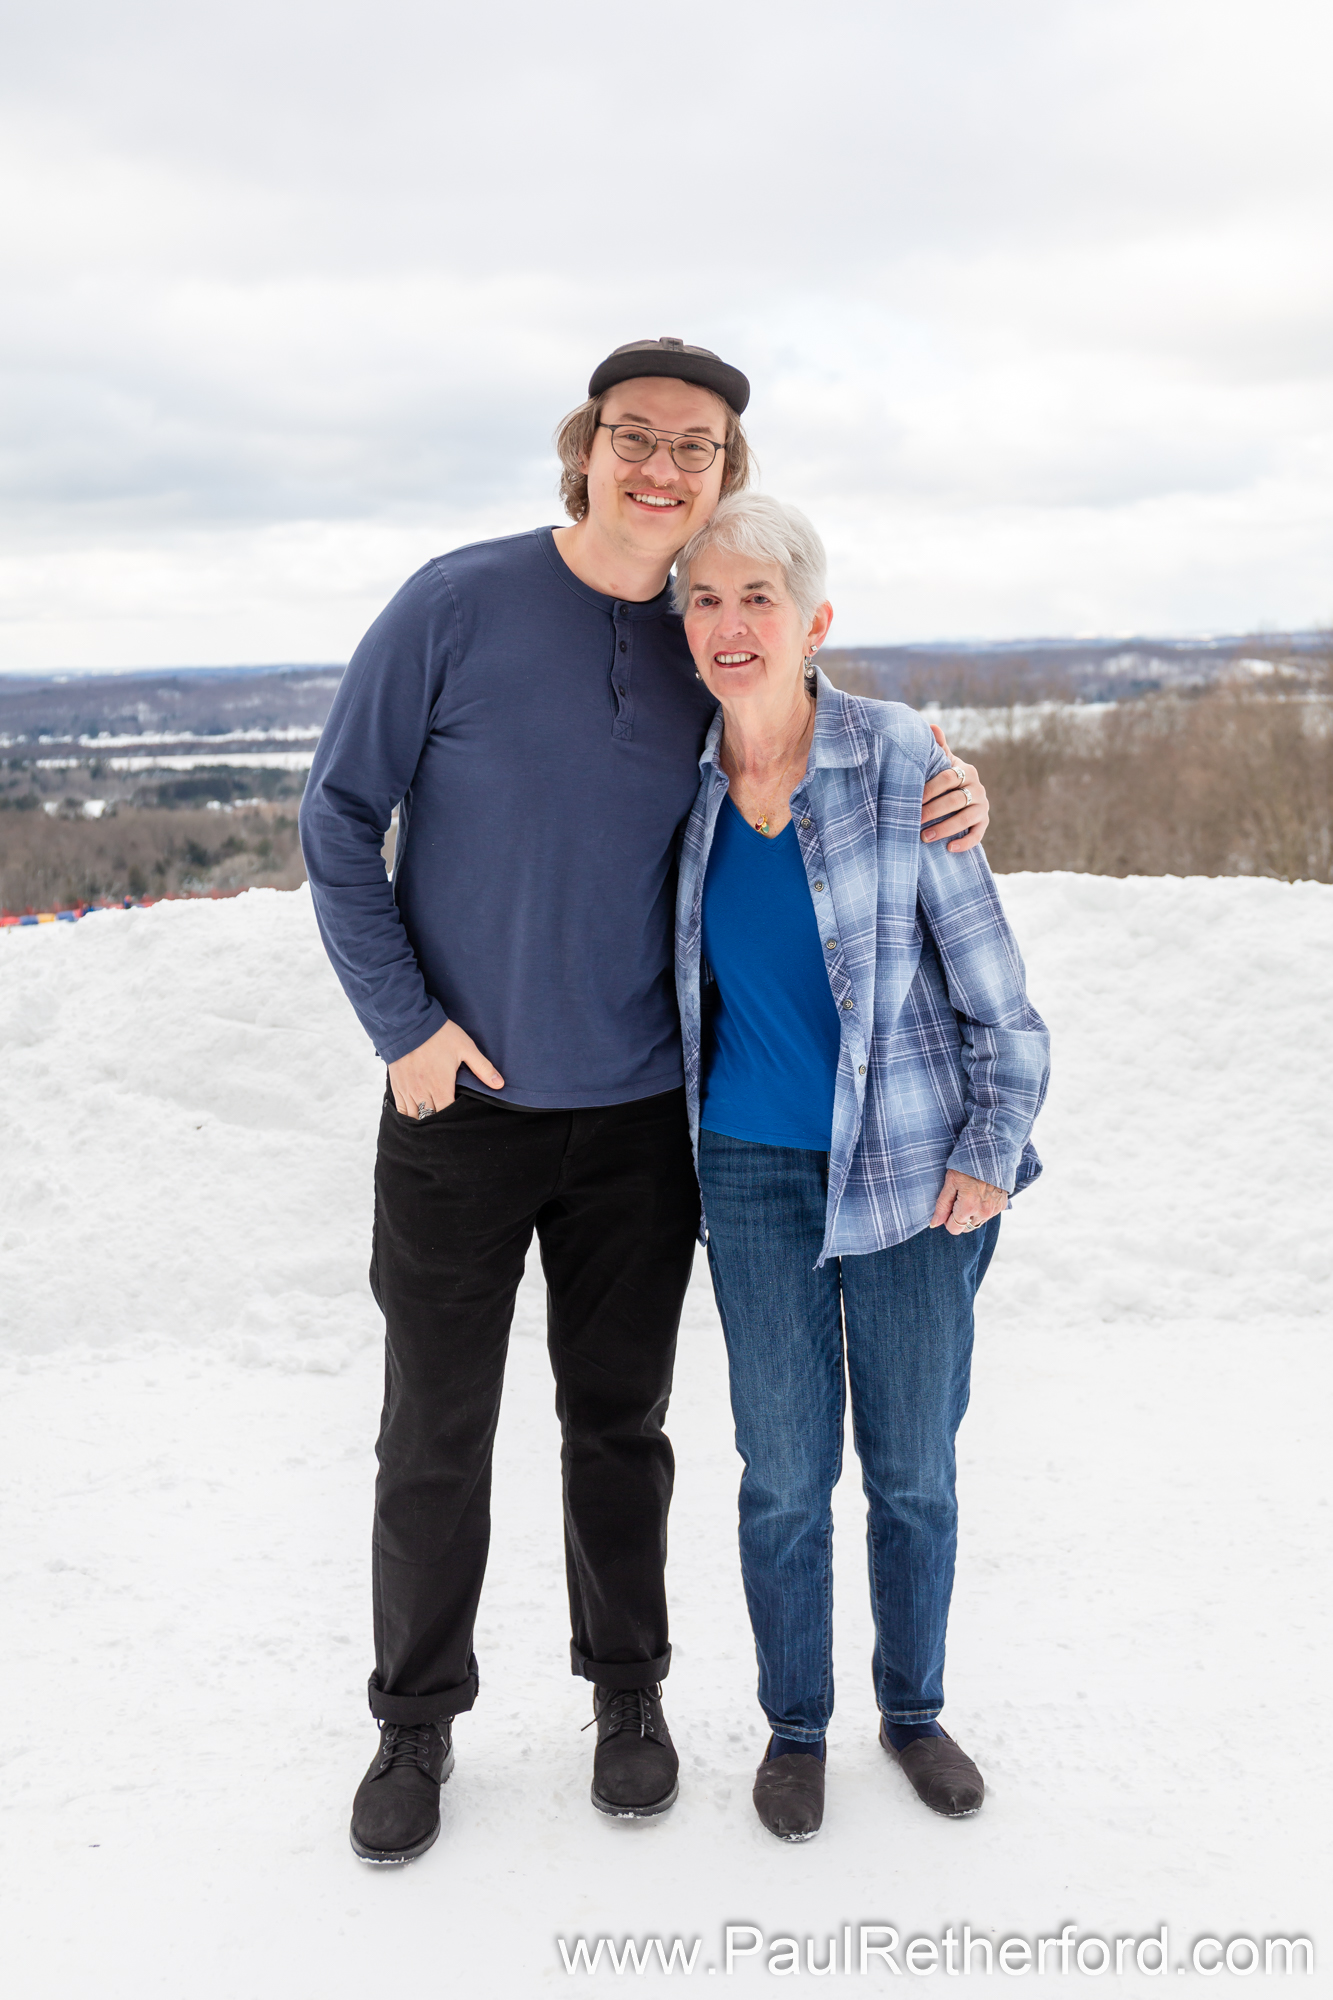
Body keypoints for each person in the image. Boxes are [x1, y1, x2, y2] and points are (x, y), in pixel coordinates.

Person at [299, 339, 993, 1866]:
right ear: (588, 446)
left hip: (640, 1123)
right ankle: (414, 1722)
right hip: (457, 1109)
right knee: (435, 1429)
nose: (660, 466)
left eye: (694, 449)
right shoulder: (455, 600)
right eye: (635, 437)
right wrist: (403, 1028)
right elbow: (339, 817)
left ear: (723, 482)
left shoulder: (702, 636)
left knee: (621, 1423)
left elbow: (801, 717)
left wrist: (951, 777)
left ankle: (628, 1696)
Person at [673, 493, 1049, 1843]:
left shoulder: (899, 763)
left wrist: (992, 1152)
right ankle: (793, 1726)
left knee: (910, 1471)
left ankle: (912, 1709)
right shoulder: (675, 778)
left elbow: (998, 996)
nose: (729, 625)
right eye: (704, 601)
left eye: (755, 599)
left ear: (813, 621)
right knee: (779, 1473)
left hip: (913, 1178)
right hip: (748, 1175)